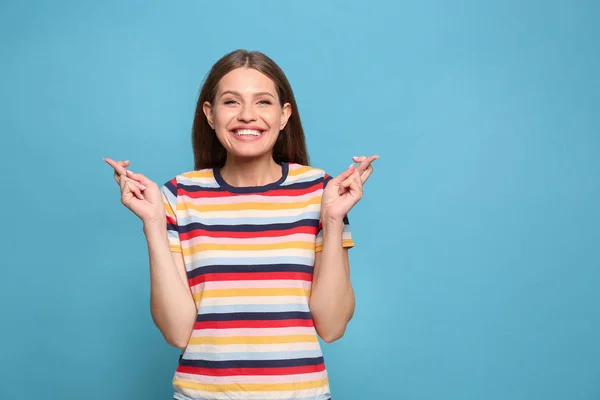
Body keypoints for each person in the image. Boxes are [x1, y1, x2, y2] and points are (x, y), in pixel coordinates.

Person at [104, 49, 377, 400]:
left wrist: (334, 219)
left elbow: (333, 325)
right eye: (231, 102)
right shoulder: (178, 196)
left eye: (263, 102)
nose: (247, 115)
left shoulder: (320, 193)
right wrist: (154, 223)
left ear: (284, 116)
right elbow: (177, 332)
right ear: (210, 114)